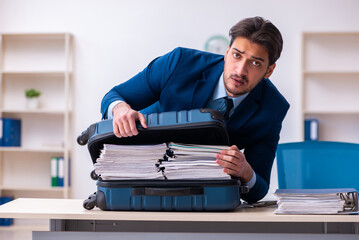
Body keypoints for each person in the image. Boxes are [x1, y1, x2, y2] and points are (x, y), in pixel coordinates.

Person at [100, 16, 289, 203]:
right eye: (236, 55)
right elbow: (115, 95)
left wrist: (246, 172)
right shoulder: (179, 62)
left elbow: (259, 189)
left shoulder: (273, 109)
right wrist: (120, 109)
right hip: (139, 173)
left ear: (269, 70)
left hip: (201, 195)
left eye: (255, 63)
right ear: (226, 52)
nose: (240, 70)